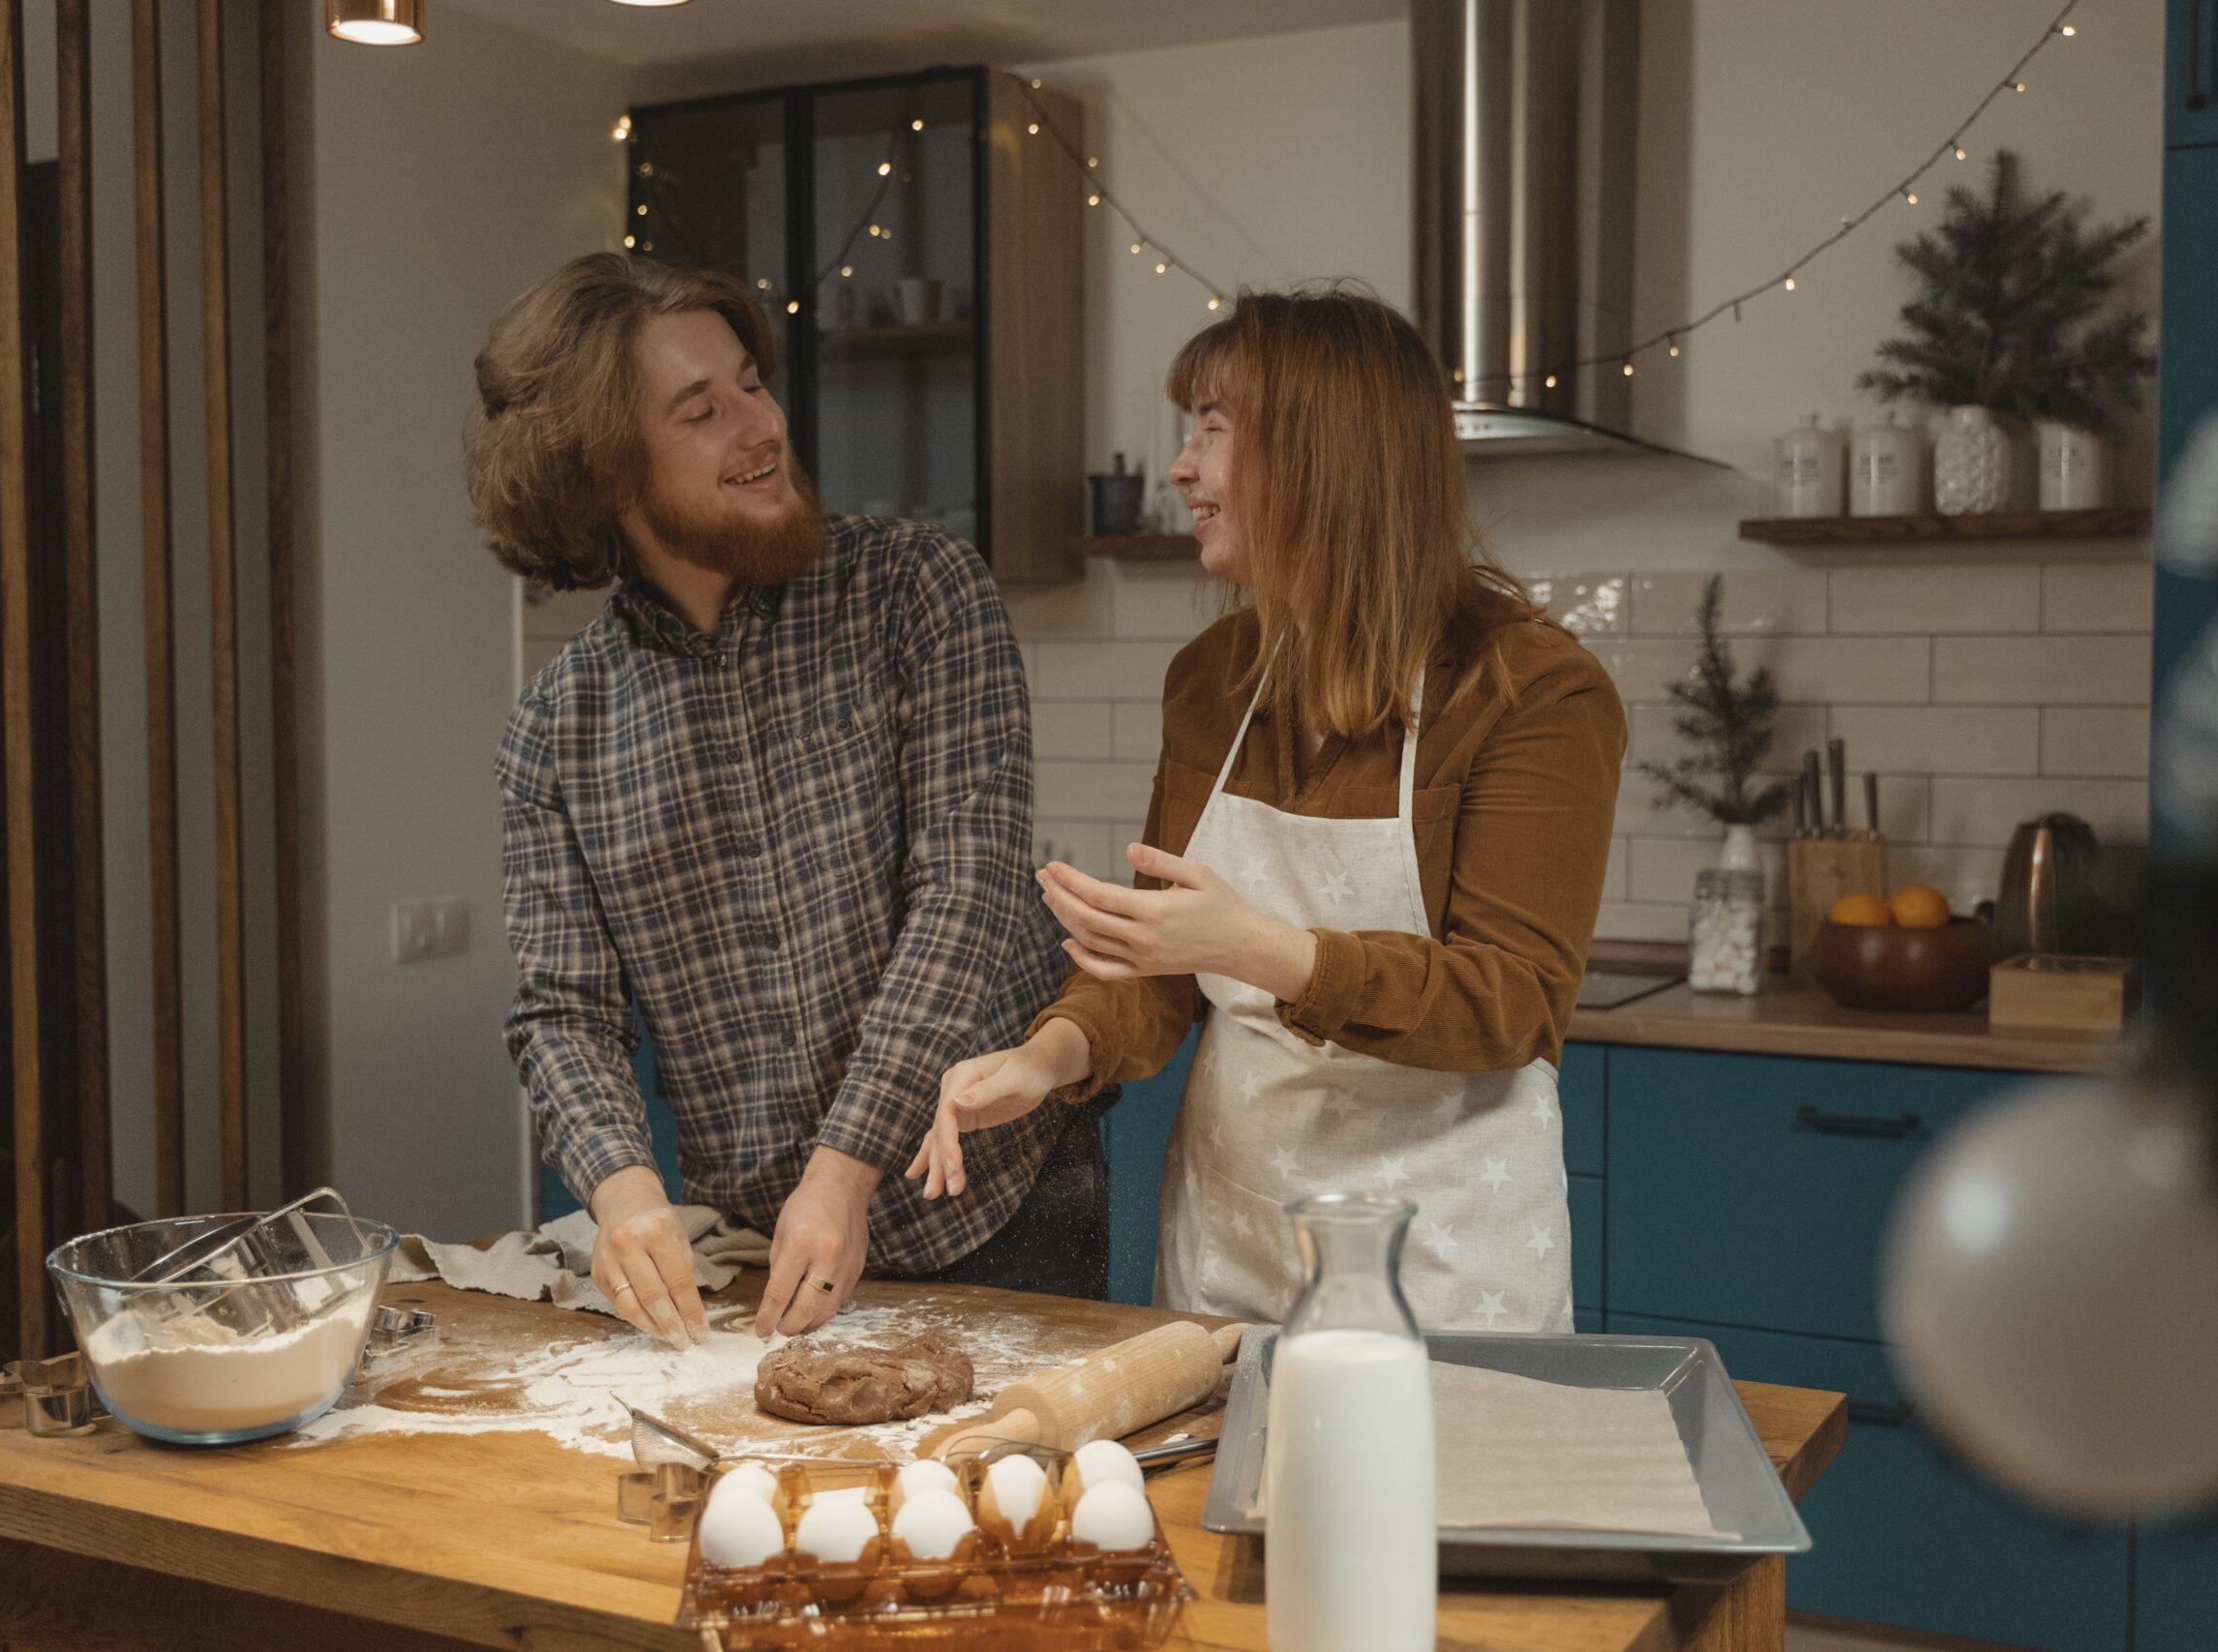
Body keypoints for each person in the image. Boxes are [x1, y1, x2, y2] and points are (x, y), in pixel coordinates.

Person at [907, 285, 1624, 1333]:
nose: (1181, 468)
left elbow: (1512, 1003)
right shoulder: (1215, 678)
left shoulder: (1530, 689)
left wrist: (1255, 945)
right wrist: (1047, 1056)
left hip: (1440, 1267)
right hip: (1232, 1251)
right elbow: (1160, 973)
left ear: (1318, 453)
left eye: (1211, 427)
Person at [467, 253, 1101, 1348]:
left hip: (1001, 1208)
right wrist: (624, 1195)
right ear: (605, 474)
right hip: (759, 1239)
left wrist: (844, 1166)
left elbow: (966, 895)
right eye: (701, 410)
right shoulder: (555, 729)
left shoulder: (917, 590)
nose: (761, 426)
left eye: (751, 383)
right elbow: (563, 1009)